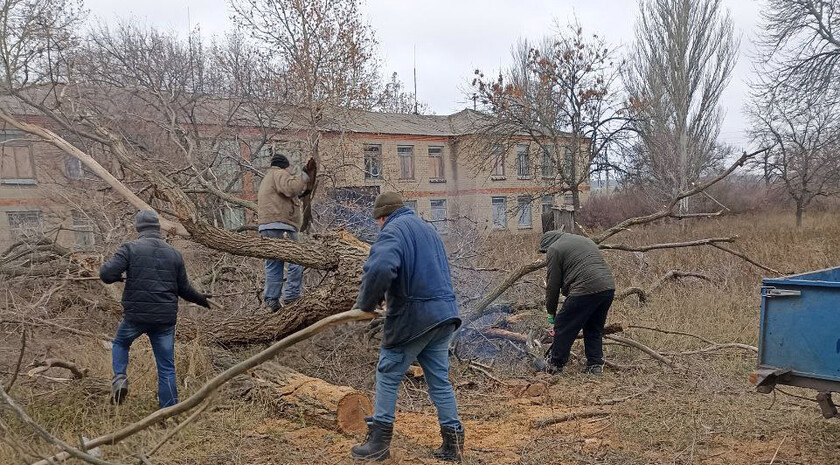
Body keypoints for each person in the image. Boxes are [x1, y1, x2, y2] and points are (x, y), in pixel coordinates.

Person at [351, 192, 464, 462]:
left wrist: (366, 304)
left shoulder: (393, 231)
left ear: (382, 217)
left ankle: (378, 444)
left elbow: (379, 269)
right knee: (439, 381)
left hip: (415, 317)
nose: (378, 226)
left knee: (388, 374)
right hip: (444, 316)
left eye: (378, 221)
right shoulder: (428, 229)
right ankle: (454, 444)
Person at [100, 210, 210, 408]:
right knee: (167, 367)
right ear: (158, 228)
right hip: (164, 320)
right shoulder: (174, 253)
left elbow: (106, 274)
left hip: (136, 316)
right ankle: (167, 412)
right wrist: (201, 298)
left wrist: (117, 276)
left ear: (138, 228)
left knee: (121, 343)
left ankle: (120, 378)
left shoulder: (130, 248)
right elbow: (184, 289)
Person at [539, 230, 616, 375]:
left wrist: (551, 314)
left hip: (585, 289)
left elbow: (553, 285)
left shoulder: (554, 249)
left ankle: (554, 365)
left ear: (548, 246)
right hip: (608, 288)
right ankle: (595, 366)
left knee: (562, 325)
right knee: (593, 328)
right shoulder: (583, 240)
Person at [256, 152, 313, 312]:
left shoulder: (267, 178)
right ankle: (292, 296)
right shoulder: (279, 173)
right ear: (285, 166)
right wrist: (303, 177)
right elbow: (291, 188)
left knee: (274, 263)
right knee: (296, 260)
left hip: (266, 227)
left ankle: (272, 299)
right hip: (282, 225)